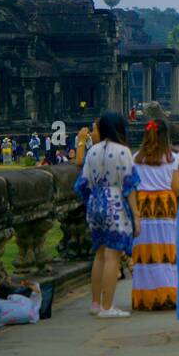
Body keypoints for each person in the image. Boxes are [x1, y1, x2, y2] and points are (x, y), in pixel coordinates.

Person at [74, 112, 140, 319]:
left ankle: (95, 303)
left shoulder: (92, 151)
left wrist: (92, 202)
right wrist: (136, 215)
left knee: (99, 254)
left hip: (95, 201)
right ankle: (107, 306)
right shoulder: (123, 151)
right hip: (114, 201)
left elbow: (82, 184)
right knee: (113, 255)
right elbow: (129, 185)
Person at [129, 118, 179, 311]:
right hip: (166, 206)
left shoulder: (135, 158)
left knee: (145, 253)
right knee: (168, 252)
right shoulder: (173, 158)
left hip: (143, 206)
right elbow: (176, 187)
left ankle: (146, 296)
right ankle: (168, 294)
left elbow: (131, 187)